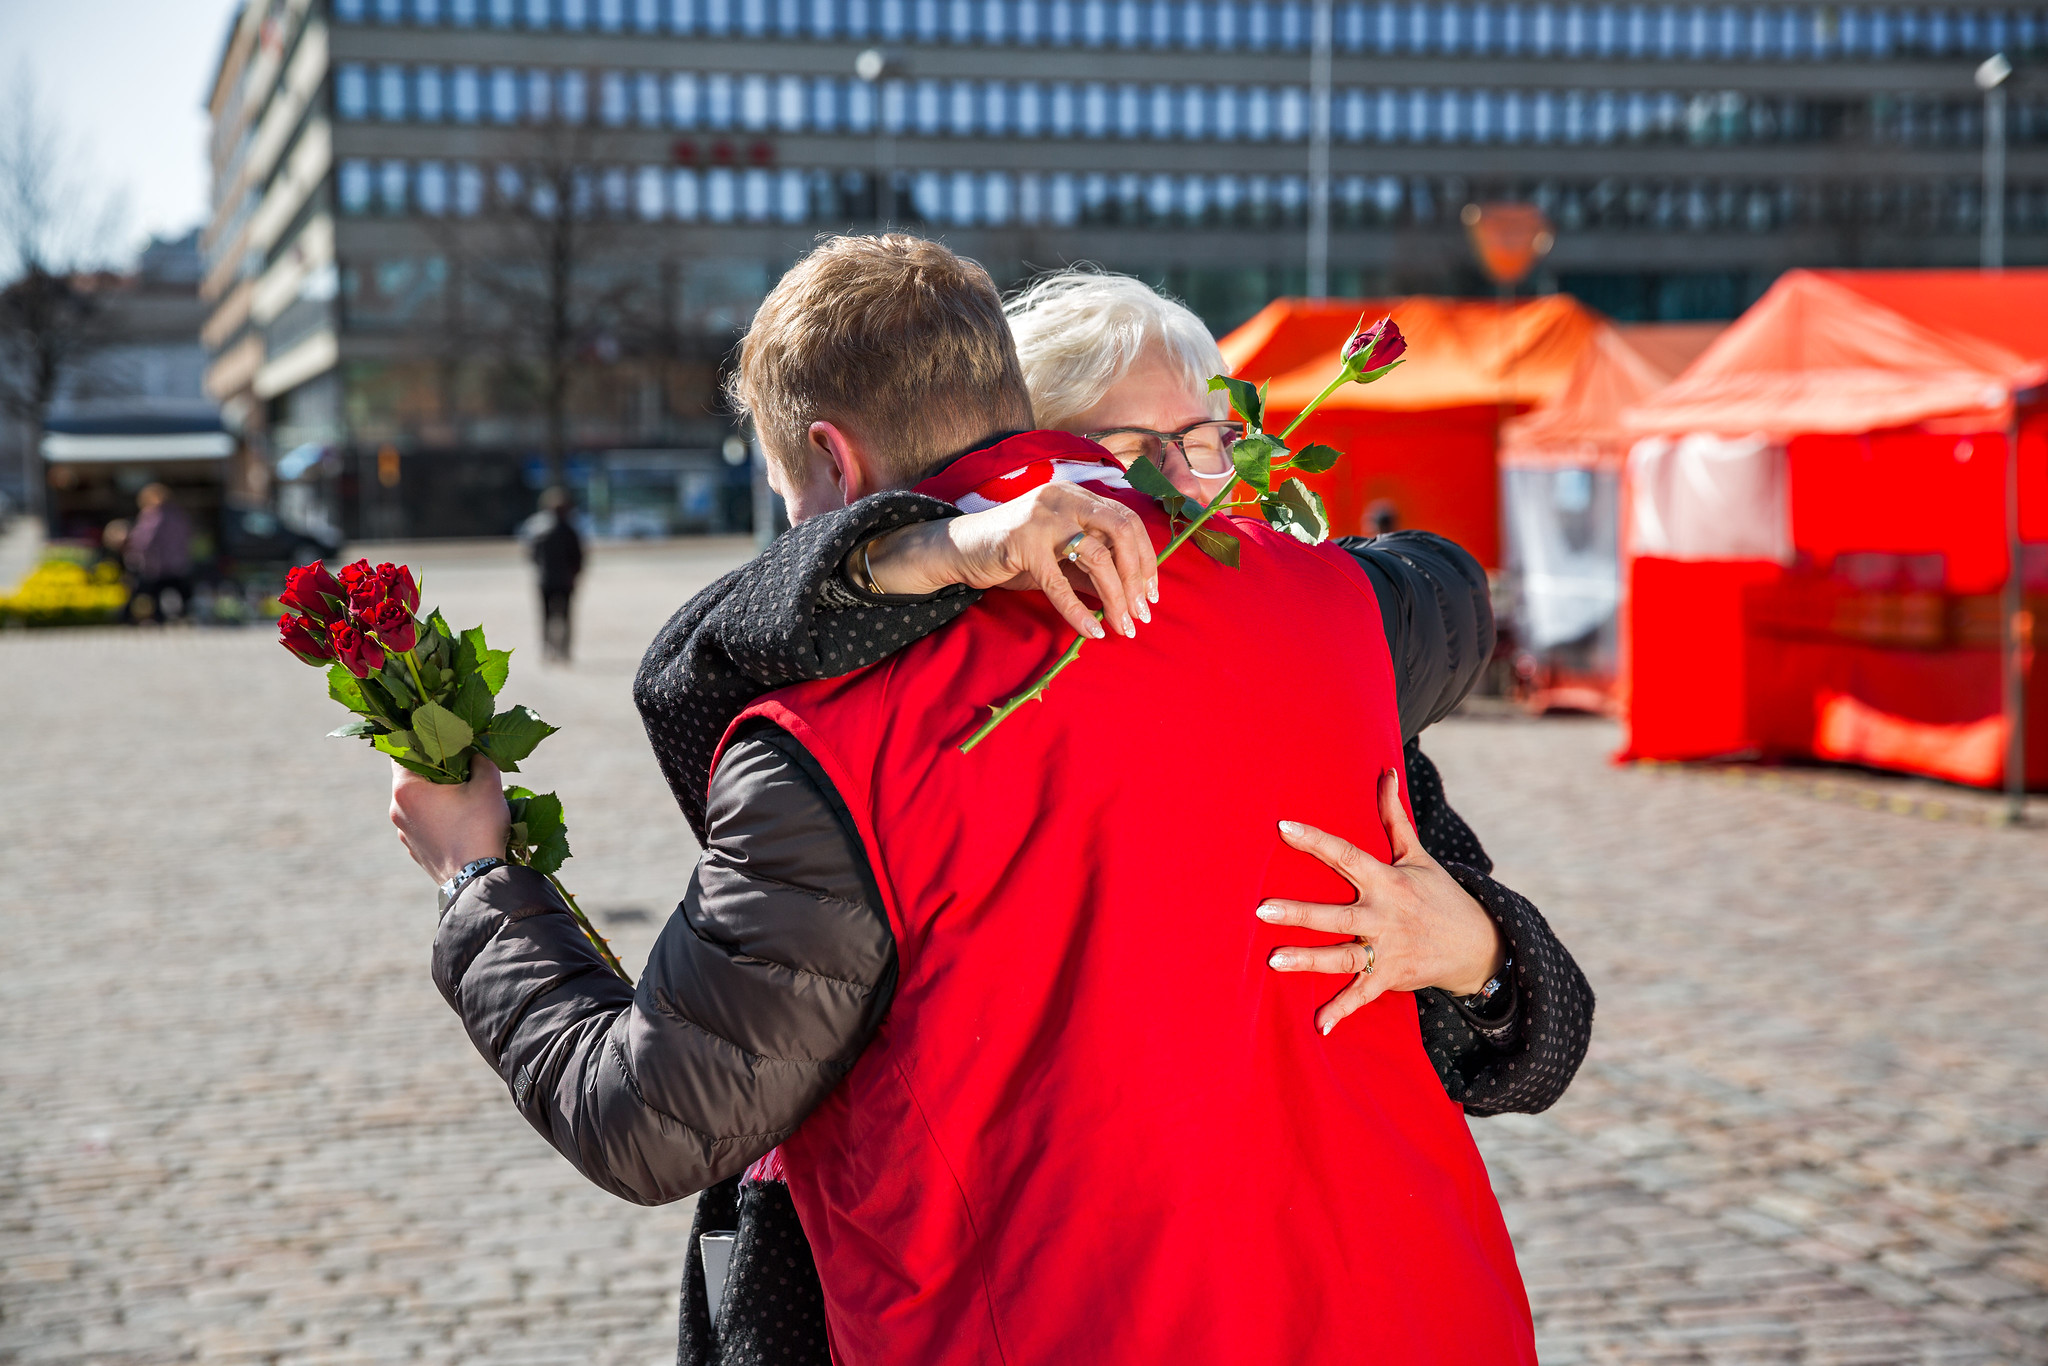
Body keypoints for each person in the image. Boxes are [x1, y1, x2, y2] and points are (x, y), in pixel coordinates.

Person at [394, 236, 1577, 1362]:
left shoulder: (835, 735)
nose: (1178, 487)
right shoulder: (1329, 625)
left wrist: (474, 877)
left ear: (832, 463)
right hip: (1422, 1313)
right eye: (1140, 448)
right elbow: (1443, 597)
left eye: (1203, 441)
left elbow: (648, 1119)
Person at [125, 483, 193, 623]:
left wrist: (134, 553)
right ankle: (184, 616)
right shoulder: (178, 514)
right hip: (178, 563)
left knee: (147, 592)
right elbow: (188, 536)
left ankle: (127, 618)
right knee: (182, 593)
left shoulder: (152, 514)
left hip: (157, 564)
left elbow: (144, 540)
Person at [530, 487, 583, 662]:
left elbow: (533, 556)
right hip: (565, 580)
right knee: (565, 617)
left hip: (545, 580)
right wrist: (575, 574)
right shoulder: (570, 531)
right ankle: (564, 650)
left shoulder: (538, 530)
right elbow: (578, 558)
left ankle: (547, 649)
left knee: (546, 617)